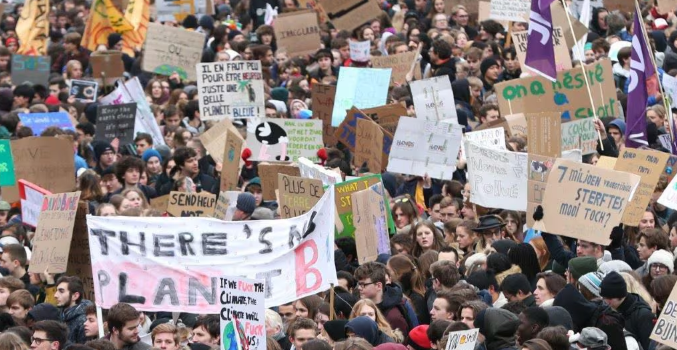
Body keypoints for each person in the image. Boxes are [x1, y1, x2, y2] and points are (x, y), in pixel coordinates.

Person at [599, 272, 654, 350]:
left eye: (609, 298)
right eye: (603, 297)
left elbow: (649, 346)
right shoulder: (609, 309)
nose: (606, 301)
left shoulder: (643, 315)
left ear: (620, 296)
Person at [54, 276, 92, 344]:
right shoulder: (61, 313)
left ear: (75, 296)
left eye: (61, 291)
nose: (55, 295)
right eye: (56, 291)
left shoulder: (83, 321)